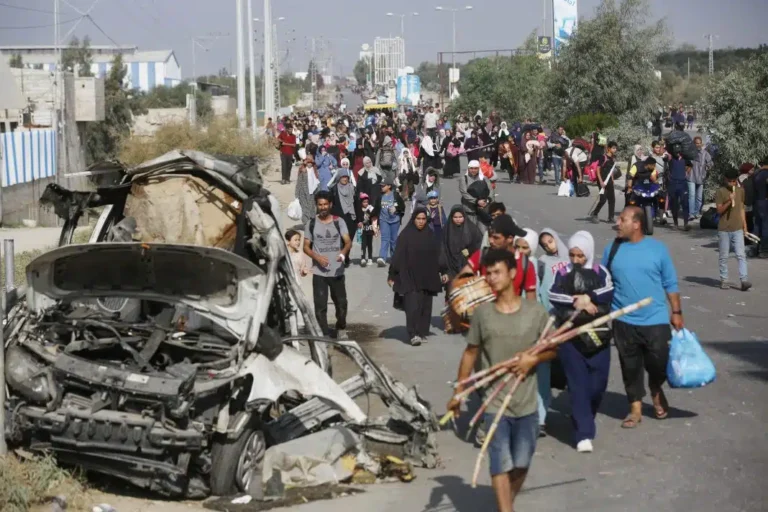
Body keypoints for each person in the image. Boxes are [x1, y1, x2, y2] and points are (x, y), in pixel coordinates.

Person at [446, 248, 555, 512]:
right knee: (500, 462)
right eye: (488, 273)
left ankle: (506, 501)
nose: (491, 278)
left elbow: (552, 348)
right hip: (494, 403)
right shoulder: (483, 315)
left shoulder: (535, 312)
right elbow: (470, 353)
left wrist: (534, 359)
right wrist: (460, 391)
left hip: (527, 404)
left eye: (497, 272)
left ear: (513, 274)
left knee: (520, 465)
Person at [604, 206, 684, 429]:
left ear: (637, 224)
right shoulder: (612, 249)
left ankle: (656, 388)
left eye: (623, 219)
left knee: (659, 363)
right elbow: (603, 281)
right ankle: (635, 408)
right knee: (629, 366)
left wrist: (676, 312)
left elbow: (670, 283)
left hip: (655, 320)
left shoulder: (658, 250)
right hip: (623, 320)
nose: (618, 223)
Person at [549, 231, 614, 452]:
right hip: (572, 337)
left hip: (599, 336)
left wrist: (591, 297)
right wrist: (577, 301)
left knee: (598, 384)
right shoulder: (563, 273)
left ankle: (584, 416)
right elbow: (554, 295)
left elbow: (608, 291)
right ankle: (583, 434)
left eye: (580, 256)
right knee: (577, 385)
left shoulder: (600, 272)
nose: (576, 260)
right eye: (573, 255)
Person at [387, 208, 443, 346]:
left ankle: (422, 331)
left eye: (424, 219)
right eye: (418, 219)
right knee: (412, 305)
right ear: (413, 219)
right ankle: (413, 334)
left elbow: (438, 255)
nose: (421, 222)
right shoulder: (406, 235)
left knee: (425, 305)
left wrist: (444, 271)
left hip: (426, 276)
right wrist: (392, 274)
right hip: (409, 276)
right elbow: (397, 256)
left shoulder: (430, 235)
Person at [303, 191, 352, 339]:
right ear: (317, 206)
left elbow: (348, 241)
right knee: (320, 307)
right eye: (320, 205)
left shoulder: (339, 222)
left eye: (325, 204)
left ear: (330, 205)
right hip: (319, 273)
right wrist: (317, 258)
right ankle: (323, 334)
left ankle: (341, 327)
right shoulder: (311, 224)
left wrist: (343, 253)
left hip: (337, 272)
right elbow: (306, 247)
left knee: (341, 304)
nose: (323, 207)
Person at [459, 215, 537, 300]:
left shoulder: (525, 264)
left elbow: (531, 302)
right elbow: (460, 280)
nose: (490, 241)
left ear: (510, 238)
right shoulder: (482, 255)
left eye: (496, 237)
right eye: (489, 236)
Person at [715, 168, 751, 291]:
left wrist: (745, 226)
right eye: (730, 181)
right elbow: (719, 210)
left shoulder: (741, 191)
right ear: (725, 180)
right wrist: (730, 200)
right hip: (724, 229)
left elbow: (741, 209)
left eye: (734, 181)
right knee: (724, 256)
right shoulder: (720, 192)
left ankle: (744, 280)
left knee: (741, 255)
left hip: (737, 228)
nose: (732, 183)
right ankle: (724, 279)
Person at [439, 205, 484, 286]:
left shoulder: (472, 229)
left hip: (468, 268)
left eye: (460, 217)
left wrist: (470, 250)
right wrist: (444, 271)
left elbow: (480, 244)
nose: (458, 219)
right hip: (451, 269)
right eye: (455, 217)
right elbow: (442, 251)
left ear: (464, 216)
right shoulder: (446, 231)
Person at [328, 169, 360, 268]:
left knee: (349, 239)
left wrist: (359, 219)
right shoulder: (334, 189)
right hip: (339, 218)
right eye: (342, 177)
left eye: (346, 177)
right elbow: (331, 205)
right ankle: (340, 257)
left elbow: (357, 204)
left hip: (351, 218)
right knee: (340, 239)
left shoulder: (353, 189)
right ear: (339, 178)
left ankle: (346, 256)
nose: (344, 179)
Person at [375, 176, 405, 267]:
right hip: (383, 220)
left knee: (393, 240)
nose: (382, 187)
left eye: (383, 186)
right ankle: (382, 258)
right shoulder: (380, 196)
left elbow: (402, 207)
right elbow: (376, 209)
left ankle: (394, 258)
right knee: (385, 239)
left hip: (394, 220)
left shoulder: (395, 195)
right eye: (381, 186)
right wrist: (371, 217)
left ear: (389, 186)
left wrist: (396, 209)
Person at [589, 141, 619, 224]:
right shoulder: (603, 157)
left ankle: (611, 218)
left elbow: (611, 170)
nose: (615, 150)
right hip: (602, 180)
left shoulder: (613, 158)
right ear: (608, 148)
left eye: (615, 148)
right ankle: (594, 213)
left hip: (609, 181)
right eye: (613, 148)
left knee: (612, 199)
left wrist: (612, 179)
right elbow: (598, 170)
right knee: (603, 199)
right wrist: (601, 181)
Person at [459, 160, 491, 229]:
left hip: (483, 210)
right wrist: (476, 201)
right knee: (470, 231)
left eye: (475, 168)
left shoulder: (484, 178)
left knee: (482, 232)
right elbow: (464, 193)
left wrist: (487, 201)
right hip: (469, 210)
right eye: (471, 168)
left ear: (479, 168)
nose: (473, 170)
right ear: (468, 169)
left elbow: (491, 191)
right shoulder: (464, 179)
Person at [688, 136, 713, 220]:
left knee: (699, 197)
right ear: (693, 144)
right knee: (692, 195)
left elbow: (711, 163)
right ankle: (691, 214)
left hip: (701, 177)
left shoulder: (705, 153)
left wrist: (707, 167)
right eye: (696, 143)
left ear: (701, 144)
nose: (698, 145)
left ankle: (696, 212)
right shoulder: (690, 152)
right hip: (691, 176)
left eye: (699, 143)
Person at [667, 149, 692, 230]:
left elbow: (690, 165)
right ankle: (675, 223)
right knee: (674, 204)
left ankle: (686, 224)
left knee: (685, 203)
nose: (677, 152)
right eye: (675, 150)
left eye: (678, 150)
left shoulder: (685, 159)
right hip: (673, 184)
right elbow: (665, 158)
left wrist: (686, 173)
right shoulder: (671, 158)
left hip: (683, 184)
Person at [295, 155, 318, 225]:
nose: (309, 164)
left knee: (312, 208)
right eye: (308, 163)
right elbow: (298, 183)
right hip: (303, 193)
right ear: (305, 163)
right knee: (305, 209)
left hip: (312, 193)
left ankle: (312, 223)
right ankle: (306, 224)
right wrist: (296, 194)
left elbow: (316, 182)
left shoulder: (314, 171)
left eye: (311, 163)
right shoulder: (303, 171)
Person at [358, 193, 377, 267]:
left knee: (369, 245)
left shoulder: (371, 208)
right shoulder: (360, 210)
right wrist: (359, 222)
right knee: (363, 245)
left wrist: (369, 213)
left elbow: (374, 216)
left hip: (370, 230)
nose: (365, 203)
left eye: (367, 202)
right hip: (363, 230)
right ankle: (363, 258)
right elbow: (359, 219)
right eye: (364, 202)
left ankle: (370, 258)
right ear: (361, 202)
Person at [754, 160, 768, 257]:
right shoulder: (766, 174)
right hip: (765, 201)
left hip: (757, 202)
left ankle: (755, 248)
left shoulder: (756, 173)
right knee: (765, 225)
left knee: (757, 225)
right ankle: (764, 249)